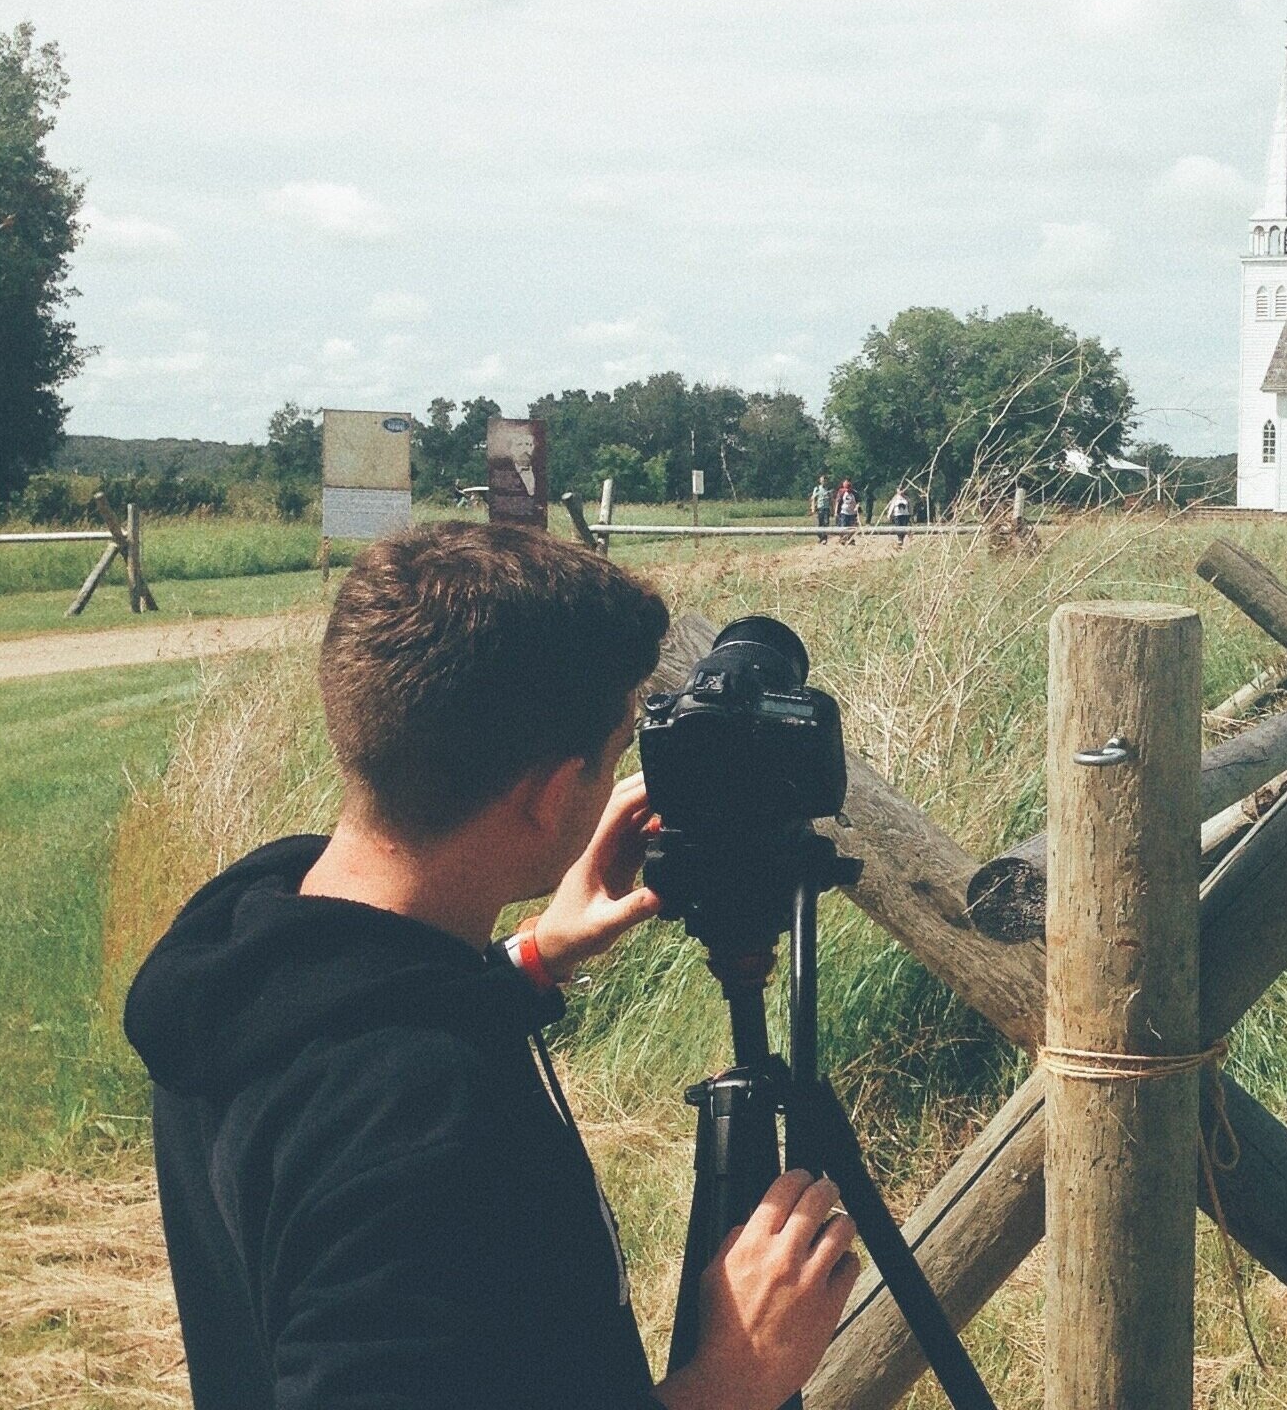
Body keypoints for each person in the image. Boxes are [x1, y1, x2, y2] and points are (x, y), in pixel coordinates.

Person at [124, 522, 858, 1410]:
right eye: (622, 750)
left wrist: (530, 959)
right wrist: (727, 1384)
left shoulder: (251, 956)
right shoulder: (422, 1132)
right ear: (551, 795)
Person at [810, 473, 830, 544]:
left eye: (825, 480)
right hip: (820, 508)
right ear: (820, 481)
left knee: (826, 523)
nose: (824, 482)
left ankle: (824, 538)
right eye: (822, 480)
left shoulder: (829, 489)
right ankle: (821, 537)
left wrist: (834, 510)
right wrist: (813, 508)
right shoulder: (817, 489)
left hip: (827, 508)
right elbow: (813, 499)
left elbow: (832, 500)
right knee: (819, 524)